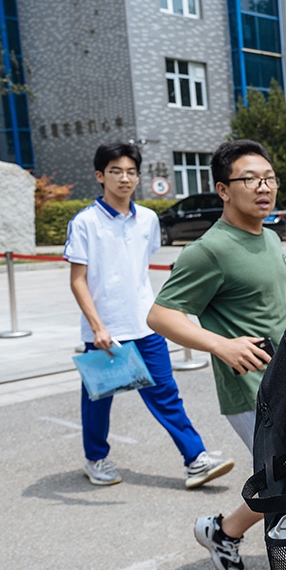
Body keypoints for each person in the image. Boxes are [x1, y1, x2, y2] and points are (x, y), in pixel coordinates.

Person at [146, 139, 286, 570]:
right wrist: (221, 344)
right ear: (224, 189)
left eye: (269, 178)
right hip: (251, 389)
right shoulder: (208, 250)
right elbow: (160, 314)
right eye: (250, 179)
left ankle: (224, 532)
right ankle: (231, 534)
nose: (263, 187)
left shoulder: (267, 235)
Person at [64, 143, 232, 489]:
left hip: (144, 323)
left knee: (166, 393)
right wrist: (97, 326)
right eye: (116, 171)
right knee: (98, 400)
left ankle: (195, 458)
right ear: (100, 176)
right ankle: (95, 459)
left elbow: (138, 271)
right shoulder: (85, 223)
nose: (125, 178)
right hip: (104, 330)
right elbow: (78, 281)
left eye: (131, 172)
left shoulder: (148, 219)